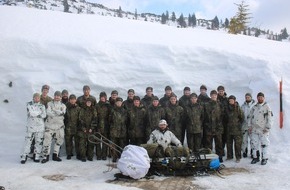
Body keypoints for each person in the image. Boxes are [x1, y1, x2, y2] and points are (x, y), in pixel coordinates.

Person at [20, 93, 46, 164]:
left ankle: (36, 155)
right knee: (28, 142)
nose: (36, 99)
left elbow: (44, 115)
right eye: (35, 97)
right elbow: (31, 113)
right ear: (33, 98)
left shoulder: (42, 105)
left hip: (40, 126)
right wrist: (39, 113)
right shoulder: (29, 104)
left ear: (39, 98)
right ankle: (24, 156)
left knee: (39, 142)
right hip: (31, 126)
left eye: (38, 98)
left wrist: (36, 113)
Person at [42, 91, 66, 163]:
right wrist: (57, 112)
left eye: (58, 96)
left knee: (59, 140)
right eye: (56, 95)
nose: (57, 97)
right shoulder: (49, 104)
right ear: (54, 96)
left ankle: (55, 155)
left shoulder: (63, 105)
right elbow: (48, 112)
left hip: (59, 126)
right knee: (47, 140)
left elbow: (62, 113)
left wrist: (54, 111)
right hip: (50, 126)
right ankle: (45, 156)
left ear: (60, 97)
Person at [248, 92, 273, 165]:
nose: (260, 98)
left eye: (261, 97)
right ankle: (256, 157)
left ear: (264, 98)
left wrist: (268, 127)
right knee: (254, 144)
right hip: (255, 129)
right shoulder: (254, 107)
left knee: (264, 144)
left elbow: (270, 118)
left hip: (263, 129)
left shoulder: (267, 107)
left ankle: (264, 158)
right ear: (257, 98)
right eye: (258, 97)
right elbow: (250, 117)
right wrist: (249, 126)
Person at [203, 90, 224, 162]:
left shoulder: (220, 104)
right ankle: (209, 157)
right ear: (210, 96)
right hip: (209, 127)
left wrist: (220, 124)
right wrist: (206, 124)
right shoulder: (206, 105)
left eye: (215, 95)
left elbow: (223, 115)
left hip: (218, 127)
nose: (214, 96)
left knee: (219, 143)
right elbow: (204, 115)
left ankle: (220, 156)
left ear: (217, 96)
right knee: (208, 144)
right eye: (212, 95)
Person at [225, 95, 244, 163]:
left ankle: (238, 157)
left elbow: (242, 118)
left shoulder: (238, 108)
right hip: (229, 129)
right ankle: (229, 156)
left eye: (232, 100)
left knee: (237, 144)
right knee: (229, 144)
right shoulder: (226, 108)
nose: (231, 101)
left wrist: (238, 125)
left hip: (237, 130)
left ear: (234, 100)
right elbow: (225, 118)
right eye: (230, 100)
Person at [109, 97, 128, 162]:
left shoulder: (125, 111)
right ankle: (114, 157)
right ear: (116, 103)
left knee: (122, 144)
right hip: (114, 130)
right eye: (117, 102)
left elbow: (127, 121)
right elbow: (109, 120)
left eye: (120, 102)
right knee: (114, 144)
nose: (119, 103)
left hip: (122, 130)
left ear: (122, 103)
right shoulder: (112, 110)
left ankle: (121, 156)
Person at [64, 94, 81, 160]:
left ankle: (78, 154)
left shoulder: (78, 108)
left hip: (76, 127)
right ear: (69, 100)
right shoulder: (65, 107)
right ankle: (69, 153)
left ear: (75, 100)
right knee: (68, 141)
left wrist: (79, 126)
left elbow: (80, 118)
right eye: (71, 99)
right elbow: (64, 117)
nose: (72, 100)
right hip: (68, 127)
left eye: (74, 99)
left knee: (77, 142)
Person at [95, 91, 111, 160]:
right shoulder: (97, 105)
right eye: (101, 97)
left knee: (105, 141)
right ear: (100, 98)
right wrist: (96, 125)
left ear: (106, 97)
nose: (103, 98)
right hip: (98, 126)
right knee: (98, 141)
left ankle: (104, 155)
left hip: (106, 126)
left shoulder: (108, 105)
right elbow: (95, 116)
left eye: (104, 97)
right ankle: (98, 155)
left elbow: (110, 116)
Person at [241, 93, 255, 158]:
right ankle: (245, 152)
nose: (247, 98)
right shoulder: (243, 106)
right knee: (244, 140)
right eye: (246, 97)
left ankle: (253, 152)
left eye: (248, 97)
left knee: (252, 140)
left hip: (252, 126)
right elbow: (241, 115)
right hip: (244, 125)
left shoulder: (254, 105)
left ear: (251, 97)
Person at [217, 85, 228, 155]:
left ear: (224, 91)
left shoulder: (227, 99)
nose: (221, 92)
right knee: (219, 137)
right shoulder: (215, 98)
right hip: (217, 121)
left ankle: (223, 149)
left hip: (225, 121)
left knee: (224, 136)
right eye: (219, 91)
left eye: (222, 91)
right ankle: (219, 150)